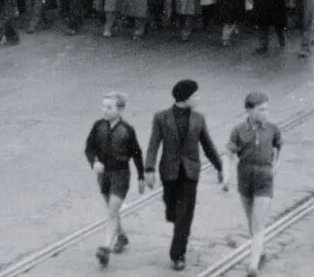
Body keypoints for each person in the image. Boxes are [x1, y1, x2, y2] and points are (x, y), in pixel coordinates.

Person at [144, 79, 225, 272]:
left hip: (190, 172)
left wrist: (220, 167)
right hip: (169, 172)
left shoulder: (198, 119)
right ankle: (173, 216)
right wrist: (149, 169)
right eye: (196, 95)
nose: (199, 98)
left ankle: (177, 255)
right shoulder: (161, 117)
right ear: (186, 98)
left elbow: (207, 144)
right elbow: (154, 144)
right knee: (173, 210)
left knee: (184, 214)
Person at [224, 91, 283, 277]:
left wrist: (276, 164)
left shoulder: (272, 128)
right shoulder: (239, 130)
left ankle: (253, 267)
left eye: (267, 109)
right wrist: (226, 176)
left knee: (257, 224)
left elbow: (279, 146)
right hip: (245, 177)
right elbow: (229, 154)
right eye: (261, 109)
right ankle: (261, 250)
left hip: (264, 178)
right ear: (249, 110)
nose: (266, 113)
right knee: (251, 220)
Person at [83, 91, 145, 269]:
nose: (104, 110)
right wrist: (94, 162)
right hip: (103, 176)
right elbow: (89, 148)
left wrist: (141, 176)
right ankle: (122, 237)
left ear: (120, 109)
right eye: (103, 106)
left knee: (111, 212)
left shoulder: (127, 130)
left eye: (109, 107)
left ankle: (105, 249)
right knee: (112, 210)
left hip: (121, 175)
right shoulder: (98, 126)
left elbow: (136, 154)